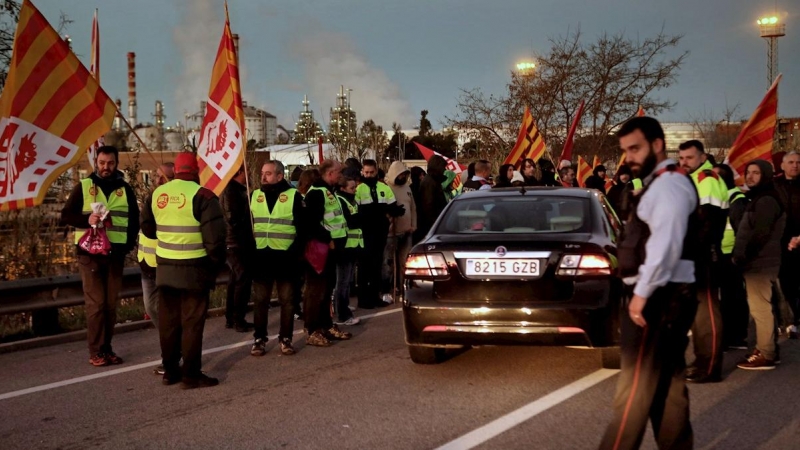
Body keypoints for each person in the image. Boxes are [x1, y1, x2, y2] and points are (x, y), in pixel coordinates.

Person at [599, 117, 698, 450]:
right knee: (669, 387)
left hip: (656, 298)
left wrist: (640, 296)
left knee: (633, 394)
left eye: (636, 148)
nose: (629, 157)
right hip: (666, 296)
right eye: (626, 150)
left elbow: (665, 245)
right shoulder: (662, 182)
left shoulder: (668, 185)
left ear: (657, 145)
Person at [140, 152, 226, 389]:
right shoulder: (204, 196)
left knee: (168, 324)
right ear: (196, 170)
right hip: (195, 270)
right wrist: (215, 265)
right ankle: (191, 375)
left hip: (165, 270)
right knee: (192, 324)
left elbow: (148, 229)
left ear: (175, 170)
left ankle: (170, 371)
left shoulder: (156, 194)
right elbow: (215, 240)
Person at [61, 145, 139, 367]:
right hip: (90, 255)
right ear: (96, 162)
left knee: (110, 305)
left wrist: (127, 246)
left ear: (116, 163)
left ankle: (107, 349)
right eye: (102, 163)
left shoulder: (125, 189)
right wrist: (87, 220)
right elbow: (66, 215)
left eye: (111, 163)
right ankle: (96, 351)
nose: (106, 167)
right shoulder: (84, 186)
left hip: (115, 254)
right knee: (96, 305)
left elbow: (134, 220)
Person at [678, 139, 728, 384]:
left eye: (689, 157)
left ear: (702, 157)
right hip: (695, 253)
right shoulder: (692, 180)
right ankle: (701, 361)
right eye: (682, 158)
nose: (684, 162)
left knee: (706, 312)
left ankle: (709, 367)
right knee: (698, 313)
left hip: (704, 254)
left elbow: (706, 221)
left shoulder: (706, 179)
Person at [733, 160, 785, 370]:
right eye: (748, 172)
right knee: (761, 307)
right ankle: (765, 348)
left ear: (765, 175)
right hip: (759, 261)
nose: (751, 176)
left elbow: (760, 233)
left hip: (760, 263)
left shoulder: (765, 200)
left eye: (756, 173)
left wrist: (744, 255)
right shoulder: (759, 197)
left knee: (760, 308)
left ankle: (766, 353)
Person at [249, 160, 305, 356]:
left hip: (285, 258)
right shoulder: (254, 195)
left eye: (268, 173)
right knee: (261, 300)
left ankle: (285, 338)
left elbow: (302, 230)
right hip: (262, 257)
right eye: (263, 173)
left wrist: (294, 254)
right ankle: (259, 338)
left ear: (280, 176)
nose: (263, 176)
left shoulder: (293, 196)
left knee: (287, 300)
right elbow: (249, 228)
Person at [302, 159, 352, 346]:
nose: (341, 175)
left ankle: (326, 325)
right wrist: (328, 240)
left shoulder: (329, 192)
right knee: (316, 290)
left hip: (332, 251)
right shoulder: (316, 193)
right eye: (339, 172)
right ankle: (312, 329)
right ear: (330, 173)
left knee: (327, 289)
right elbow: (312, 223)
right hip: (320, 251)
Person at [138, 162, 174, 375]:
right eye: (157, 176)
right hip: (147, 264)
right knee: (151, 308)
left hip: (167, 264)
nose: (159, 181)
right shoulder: (149, 199)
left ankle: (170, 354)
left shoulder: (174, 203)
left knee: (167, 312)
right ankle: (171, 343)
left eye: (164, 177)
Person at [356, 160, 404, 307]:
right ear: (362, 172)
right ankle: (364, 299)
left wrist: (396, 211)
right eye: (366, 172)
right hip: (365, 233)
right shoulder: (359, 189)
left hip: (380, 232)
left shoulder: (384, 188)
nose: (369, 175)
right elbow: (357, 210)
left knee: (377, 265)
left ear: (376, 171)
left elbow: (391, 206)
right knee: (365, 267)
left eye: (371, 172)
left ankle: (375, 296)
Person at [714, 163, 749, 350]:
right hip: (719, 252)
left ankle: (736, 336)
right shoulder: (721, 195)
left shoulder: (735, 198)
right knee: (724, 297)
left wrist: (739, 253)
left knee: (733, 296)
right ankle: (728, 334)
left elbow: (741, 229)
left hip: (731, 254)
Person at [220, 164, 255, 332]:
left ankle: (232, 317)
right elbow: (233, 217)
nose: (248, 175)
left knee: (235, 280)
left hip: (236, 241)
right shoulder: (231, 191)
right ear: (239, 173)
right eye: (246, 172)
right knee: (242, 278)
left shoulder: (237, 190)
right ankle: (237, 318)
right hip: (234, 242)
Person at [774, 151, 800, 338]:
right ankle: (786, 321)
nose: (795, 165)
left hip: (799, 240)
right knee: (783, 284)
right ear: (782, 165)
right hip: (780, 243)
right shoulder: (774, 186)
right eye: (791, 162)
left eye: (798, 162)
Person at [385, 161, 417, 303]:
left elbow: (413, 208)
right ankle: (389, 289)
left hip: (407, 231)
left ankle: (403, 287)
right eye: (401, 174)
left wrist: (413, 224)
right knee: (389, 263)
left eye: (405, 175)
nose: (403, 177)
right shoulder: (386, 188)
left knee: (404, 262)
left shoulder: (407, 189)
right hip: (392, 233)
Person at [334, 176, 362, 326]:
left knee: (347, 280)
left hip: (352, 245)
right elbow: (350, 221)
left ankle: (342, 308)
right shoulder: (341, 200)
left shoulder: (350, 200)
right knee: (342, 282)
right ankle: (342, 313)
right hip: (344, 246)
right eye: (352, 188)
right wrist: (360, 217)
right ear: (343, 188)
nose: (354, 190)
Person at [417, 155, 448, 240]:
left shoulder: (433, 181)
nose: (444, 170)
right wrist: (436, 224)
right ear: (438, 167)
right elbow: (428, 206)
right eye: (443, 167)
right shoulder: (430, 183)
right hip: (431, 226)